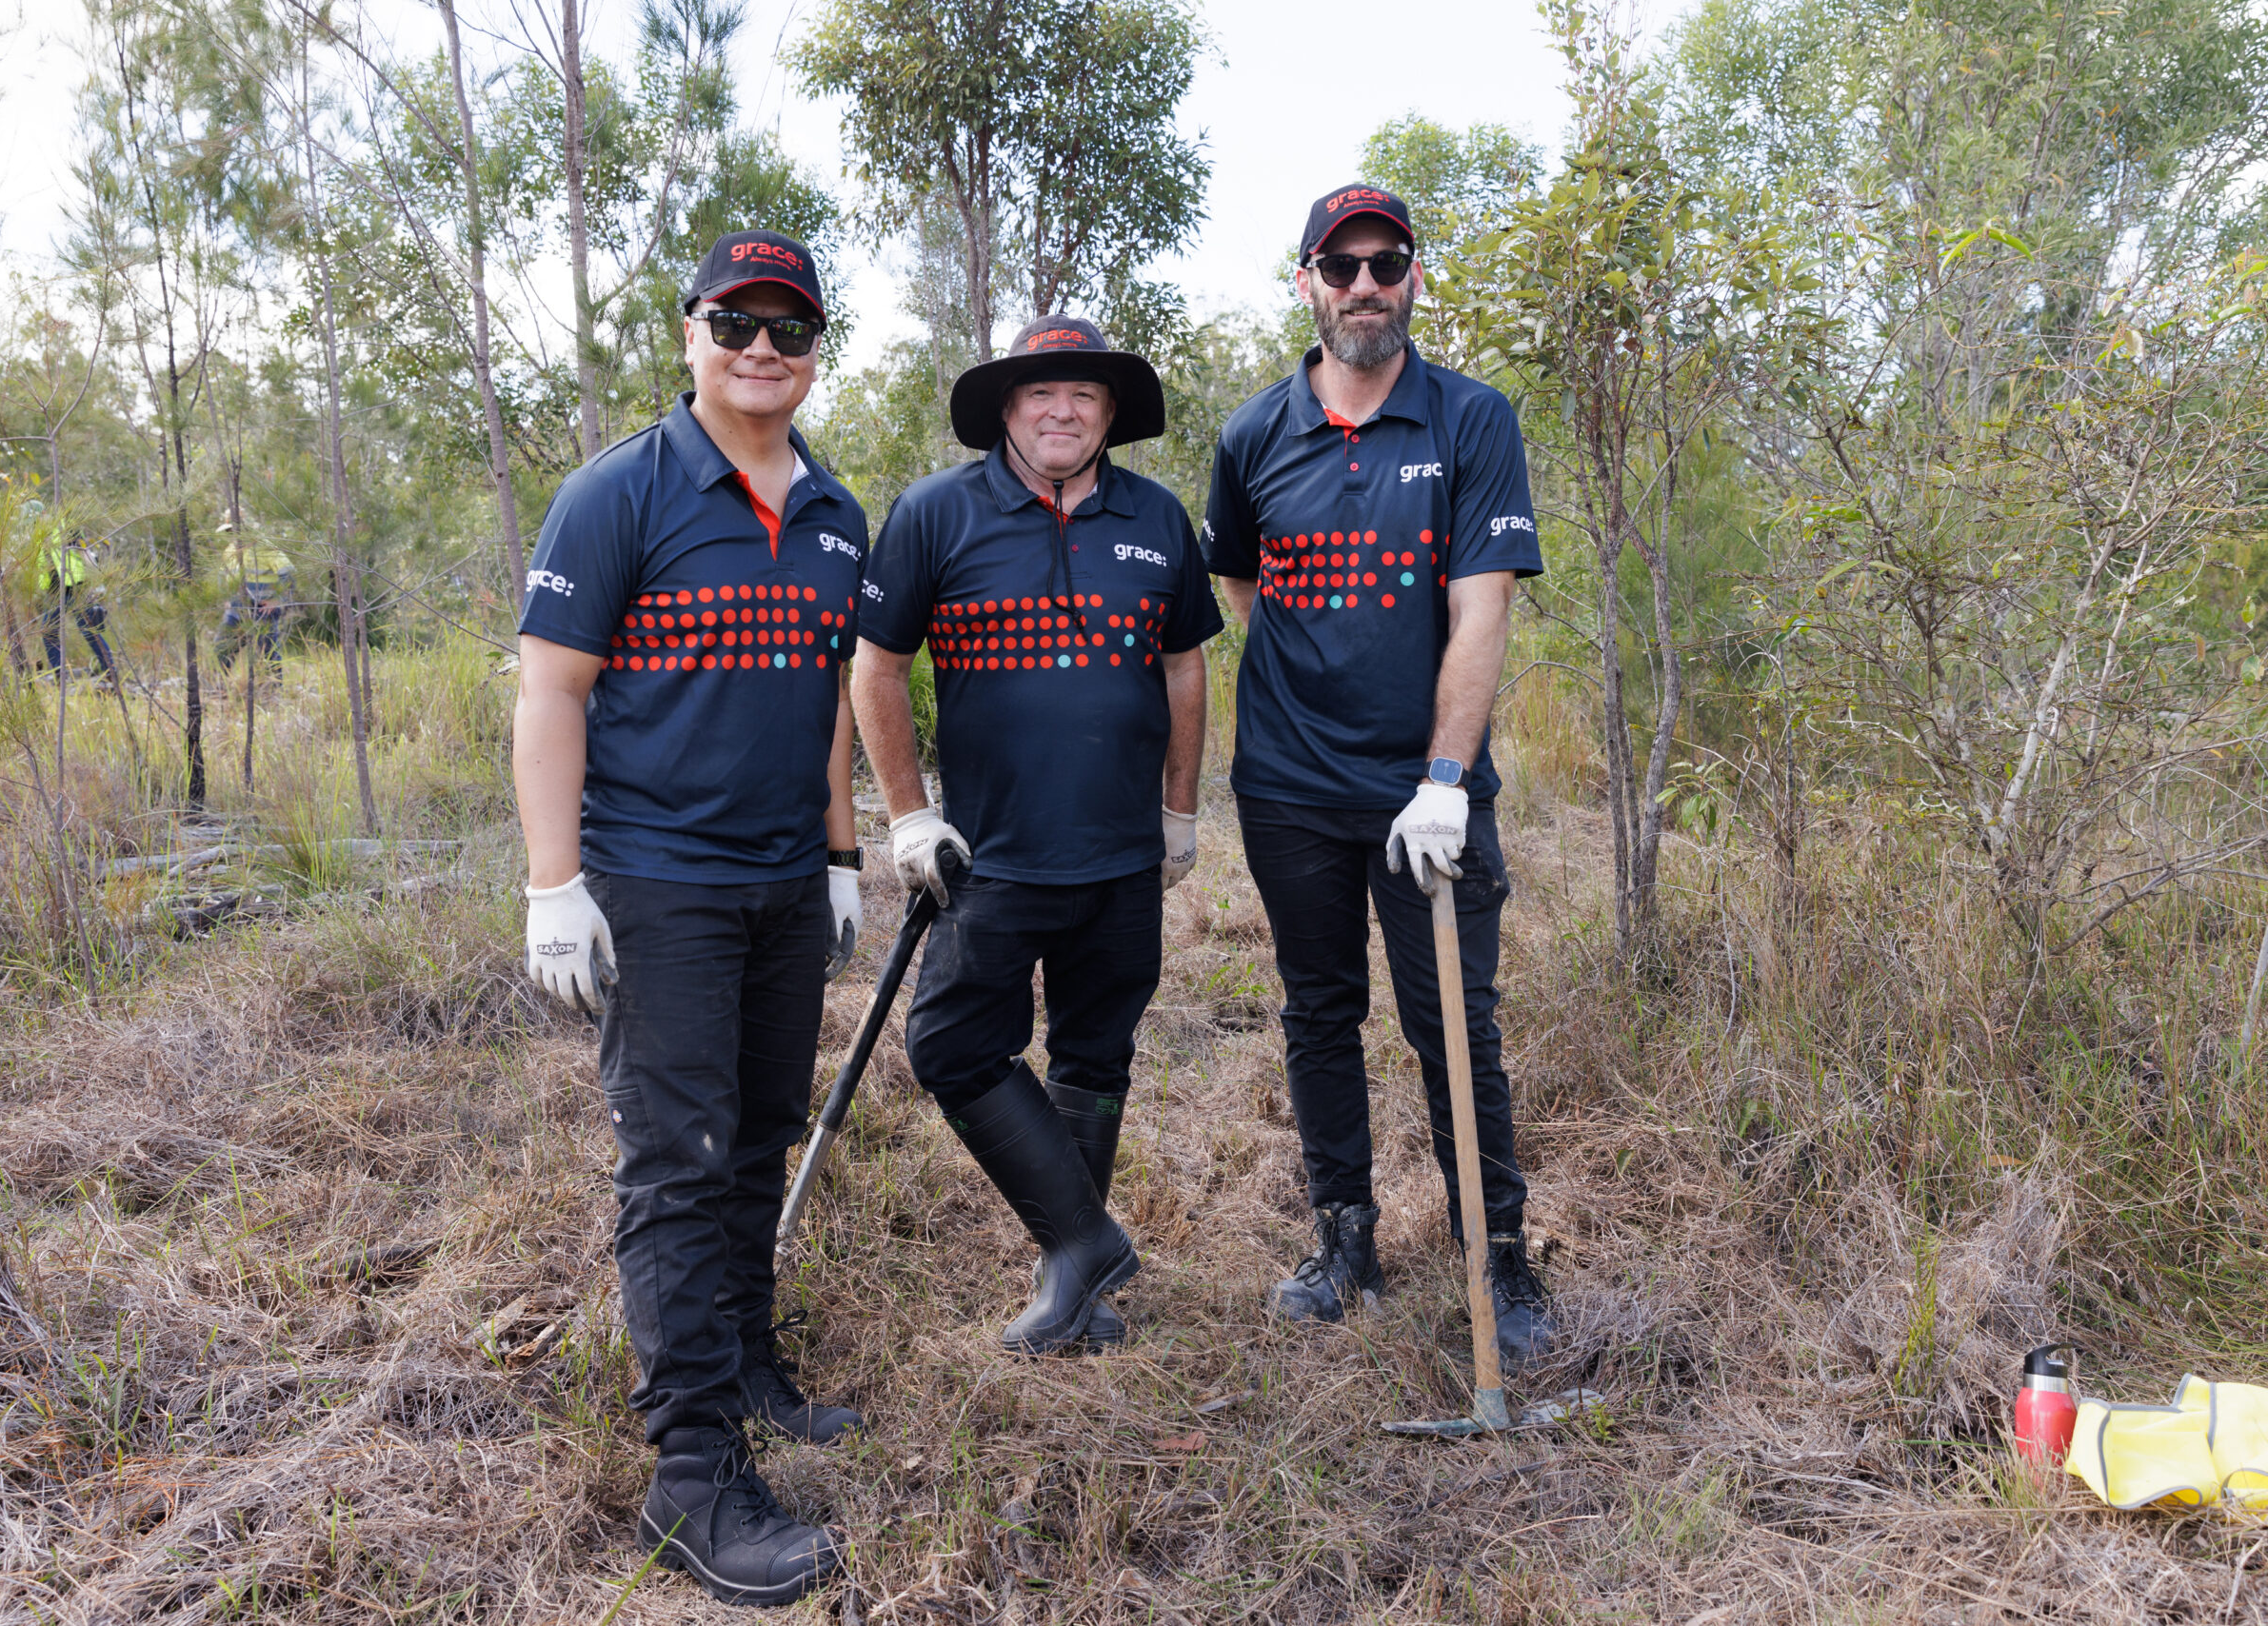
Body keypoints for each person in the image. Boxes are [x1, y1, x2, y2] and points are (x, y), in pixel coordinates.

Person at [512, 229, 866, 1608]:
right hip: (658, 884)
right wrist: (555, 886)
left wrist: (845, 854)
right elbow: (551, 692)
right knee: (678, 1158)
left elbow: (829, 691)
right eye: (737, 321)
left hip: (788, 880)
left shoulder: (835, 511)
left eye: (787, 325)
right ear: (691, 335)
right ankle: (691, 1479)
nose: (761, 347)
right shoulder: (619, 494)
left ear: (814, 347)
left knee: (759, 1136)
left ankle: (749, 1361)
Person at [1202, 185, 1555, 1364]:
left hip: (1427, 795)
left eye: (1385, 263)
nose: (1364, 284)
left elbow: (1480, 610)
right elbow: (1245, 589)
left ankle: (1496, 1254)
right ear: (1303, 280)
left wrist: (1444, 774)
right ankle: (1344, 1236)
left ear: (1411, 278)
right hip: (1290, 790)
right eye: (1339, 264)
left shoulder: (1470, 420)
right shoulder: (1253, 436)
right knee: (1317, 1011)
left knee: (1455, 1024)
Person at [854, 314, 1222, 1356]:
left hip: (1121, 856)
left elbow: (1185, 664)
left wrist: (1180, 810)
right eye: (1038, 393)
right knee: (952, 1044)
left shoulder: (1155, 517)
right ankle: (1084, 1238)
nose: (1062, 410)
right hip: (992, 858)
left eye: (1085, 395)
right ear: (1006, 410)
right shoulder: (936, 514)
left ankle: (1070, 1283)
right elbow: (875, 663)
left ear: (1109, 414)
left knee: (1096, 1055)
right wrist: (911, 812)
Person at [32, 514, 117, 681]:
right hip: (53, 591)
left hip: (76, 586)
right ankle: (59, 676)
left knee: (89, 632)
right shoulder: (37, 534)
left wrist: (98, 583)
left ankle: (110, 673)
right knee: (49, 632)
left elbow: (85, 553)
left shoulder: (67, 526)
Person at [215, 528, 295, 679]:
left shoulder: (266, 548)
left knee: (267, 651)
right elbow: (222, 574)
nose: (232, 533)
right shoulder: (230, 549)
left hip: (263, 610)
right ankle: (223, 686)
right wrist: (225, 597)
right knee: (222, 646)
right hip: (235, 609)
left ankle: (274, 690)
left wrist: (277, 601)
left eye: (234, 529)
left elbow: (290, 575)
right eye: (228, 531)